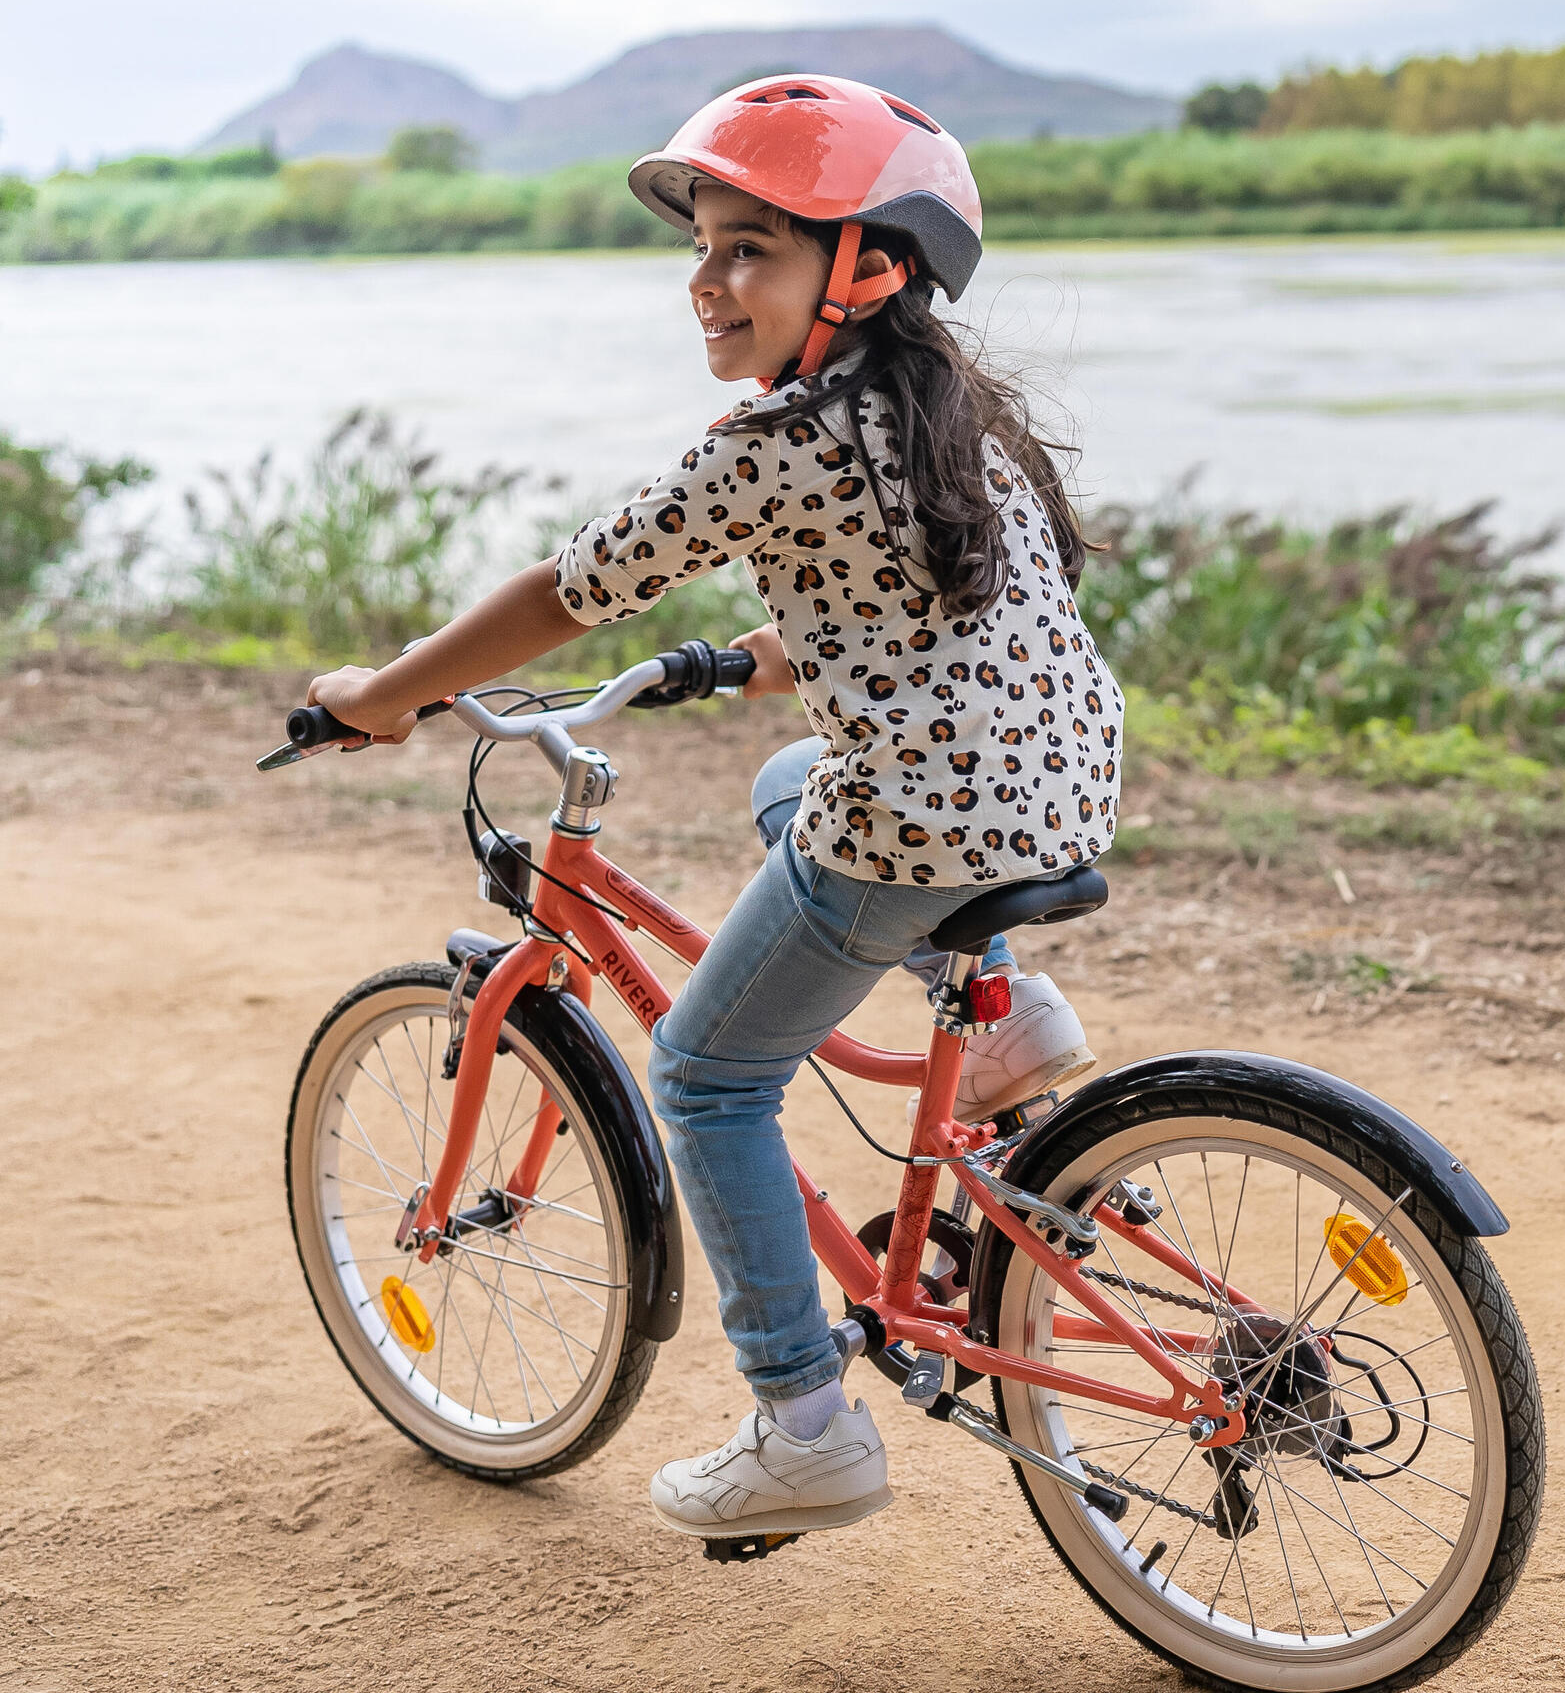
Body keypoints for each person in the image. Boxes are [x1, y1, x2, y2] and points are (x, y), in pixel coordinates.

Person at [307, 75, 1124, 1542]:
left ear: (864, 268)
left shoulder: (777, 442)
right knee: (784, 775)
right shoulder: (952, 410)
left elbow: (571, 590)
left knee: (704, 1075)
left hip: (921, 821)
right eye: (702, 247)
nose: (706, 279)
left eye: (751, 247)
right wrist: (759, 657)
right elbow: (942, 610)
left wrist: (396, 690)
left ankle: (803, 1423)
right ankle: (995, 1012)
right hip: (1059, 785)